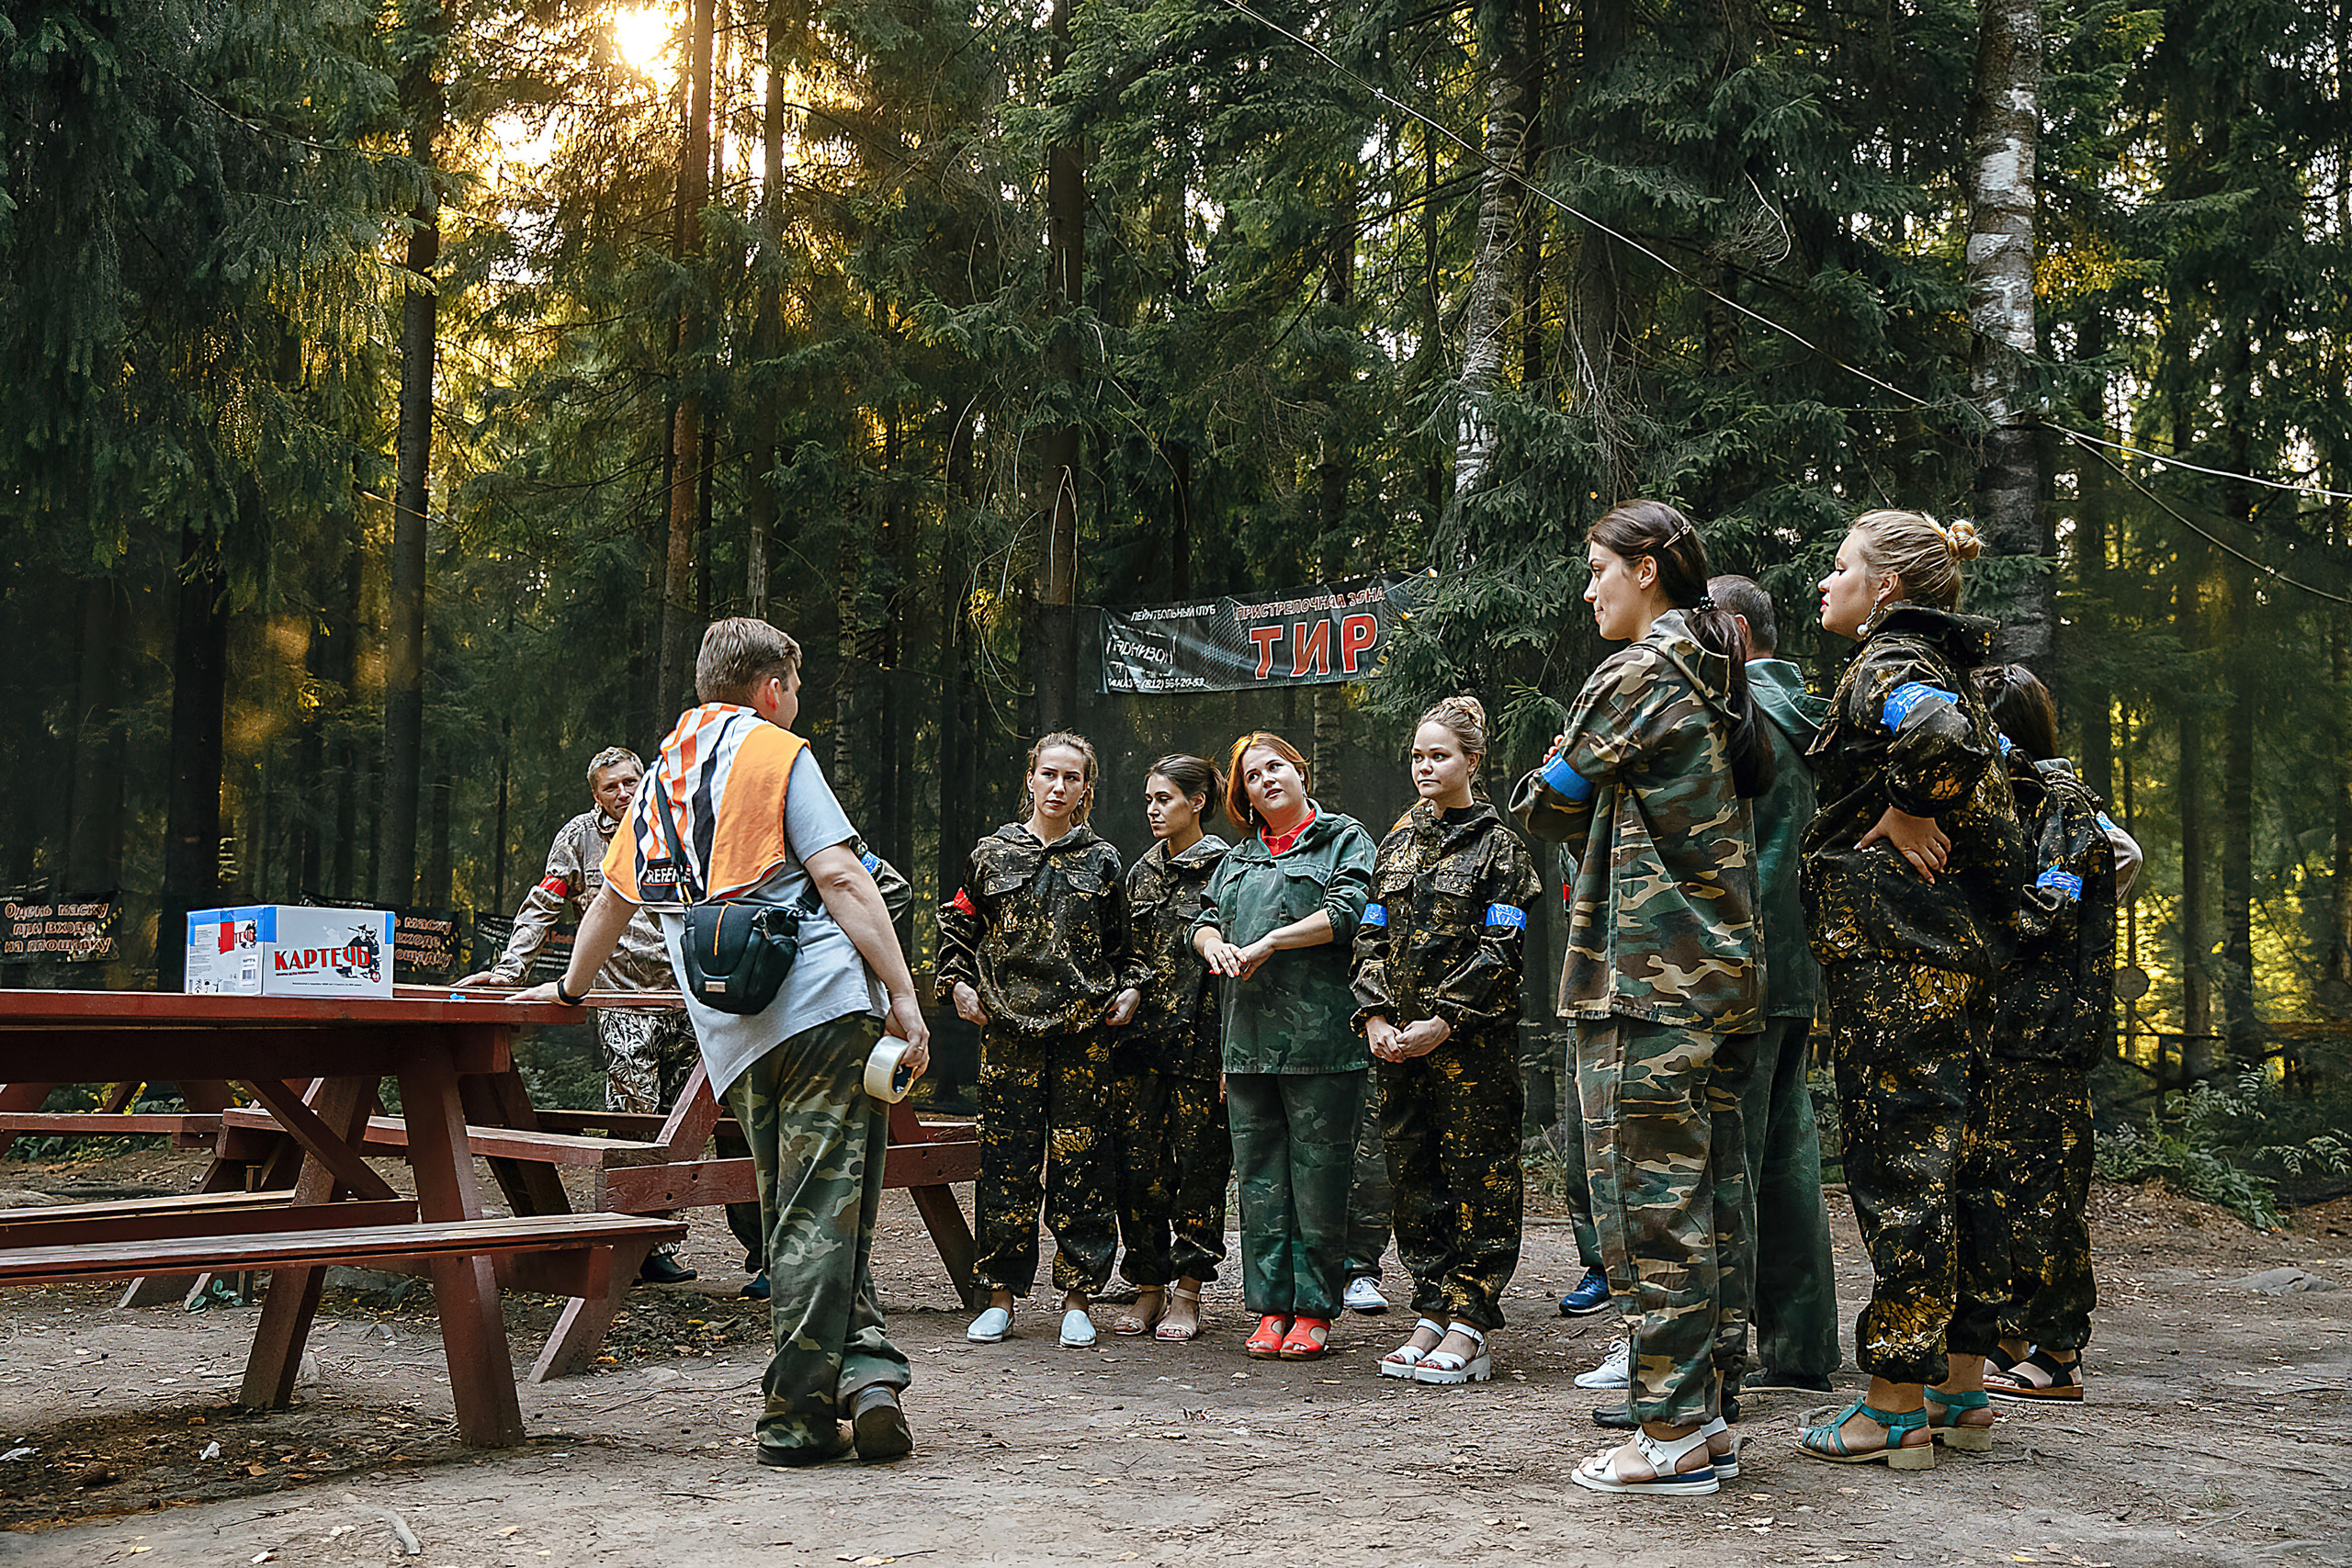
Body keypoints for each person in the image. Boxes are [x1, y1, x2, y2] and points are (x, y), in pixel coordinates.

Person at [520, 617, 931, 1468]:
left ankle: (869, 1376)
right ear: (771, 687)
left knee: (808, 1208)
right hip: (819, 1010)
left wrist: (567, 989)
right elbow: (844, 875)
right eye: (795, 686)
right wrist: (902, 992)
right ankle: (795, 1416)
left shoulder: (661, 774)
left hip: (730, 1033)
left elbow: (609, 903)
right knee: (823, 1209)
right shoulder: (777, 752)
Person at [1512, 499, 1775, 1497]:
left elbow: (1542, 800)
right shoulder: (1717, 673)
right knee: (1708, 1203)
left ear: (1650, 568)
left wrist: (1557, 765)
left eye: (1598, 570)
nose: (1589, 591)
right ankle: (1702, 1420)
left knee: (1648, 1208)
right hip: (1714, 982)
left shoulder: (1638, 673)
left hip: (1645, 984)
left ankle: (1664, 1434)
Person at [1798, 509, 2025, 1471]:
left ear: (1885, 587)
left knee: (1902, 1170)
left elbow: (1932, 740)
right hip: (1957, 952)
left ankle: (1892, 1402)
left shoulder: (1892, 665)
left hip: (1897, 954)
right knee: (1964, 1165)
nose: (1825, 581)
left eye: (1840, 565)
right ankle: (1959, 1387)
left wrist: (1898, 807)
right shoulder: (1958, 672)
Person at [457, 745, 700, 1285]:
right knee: (637, 1119)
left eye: (633, 781)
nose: (625, 792)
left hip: (687, 996)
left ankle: (711, 1247)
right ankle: (636, 1246)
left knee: (697, 1119)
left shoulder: (675, 825)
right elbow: (543, 902)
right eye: (612, 786)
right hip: (622, 997)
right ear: (596, 794)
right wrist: (509, 971)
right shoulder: (579, 838)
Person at [1354, 696, 1541, 1385]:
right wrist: (1375, 1017)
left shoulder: (1500, 846)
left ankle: (1470, 1322)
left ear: (1471, 761)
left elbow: (1503, 949)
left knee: (1479, 1178)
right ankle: (1431, 1309)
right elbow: (1369, 936)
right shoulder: (1396, 842)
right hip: (1399, 1049)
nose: (1425, 766)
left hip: (1469, 1052)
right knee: (1415, 1177)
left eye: (1439, 755)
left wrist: (1446, 1020)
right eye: (1417, 755)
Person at [939, 732, 1145, 1351]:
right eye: (1048, 774)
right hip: (1008, 1035)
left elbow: (1126, 950)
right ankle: (999, 1296)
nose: (1058, 787)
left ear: (1087, 787)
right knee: (1007, 1164)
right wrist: (956, 984)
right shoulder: (991, 854)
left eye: (1072, 777)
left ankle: (1078, 1297)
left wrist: (1131, 989)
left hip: (1083, 1035)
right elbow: (959, 926)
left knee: (1084, 1165)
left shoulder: (1103, 860)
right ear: (1029, 777)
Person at [1974, 663, 2140, 1404]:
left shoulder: (2060, 805)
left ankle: (2061, 1352)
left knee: (2045, 1188)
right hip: (2014, 1027)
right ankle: (2014, 1333)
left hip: (2044, 1030)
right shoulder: (2030, 797)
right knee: (2009, 1183)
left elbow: (2050, 907)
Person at [1193, 731, 1378, 1361]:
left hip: (1323, 1044)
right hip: (1247, 1046)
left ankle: (1314, 1310)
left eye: (1276, 766)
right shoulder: (1239, 856)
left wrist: (1271, 940)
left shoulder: (1343, 838)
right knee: (1260, 1182)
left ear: (1299, 770)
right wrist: (1212, 942)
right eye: (1252, 775)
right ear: (1242, 795)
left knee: (1318, 1180)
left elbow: (1348, 911)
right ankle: (1271, 1307)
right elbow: (1203, 916)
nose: (1266, 779)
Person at [1706, 574, 1842, 1395]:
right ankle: (1798, 1348)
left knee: (1726, 1165)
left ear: (1732, 631)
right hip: (1800, 966)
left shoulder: (1734, 717)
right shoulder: (1822, 719)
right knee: (1788, 1158)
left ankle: (1710, 1365)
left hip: (1729, 967)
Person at [1114, 754, 1233, 1342]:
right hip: (1140, 1048)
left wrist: (1226, 1055)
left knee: (1201, 1170)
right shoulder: (1138, 875)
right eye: (1149, 798)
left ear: (1197, 803)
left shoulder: (1226, 870)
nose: (1153, 809)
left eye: (1165, 798)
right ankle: (1147, 1287)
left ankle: (1188, 1291)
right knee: (1138, 1171)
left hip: (1201, 1048)